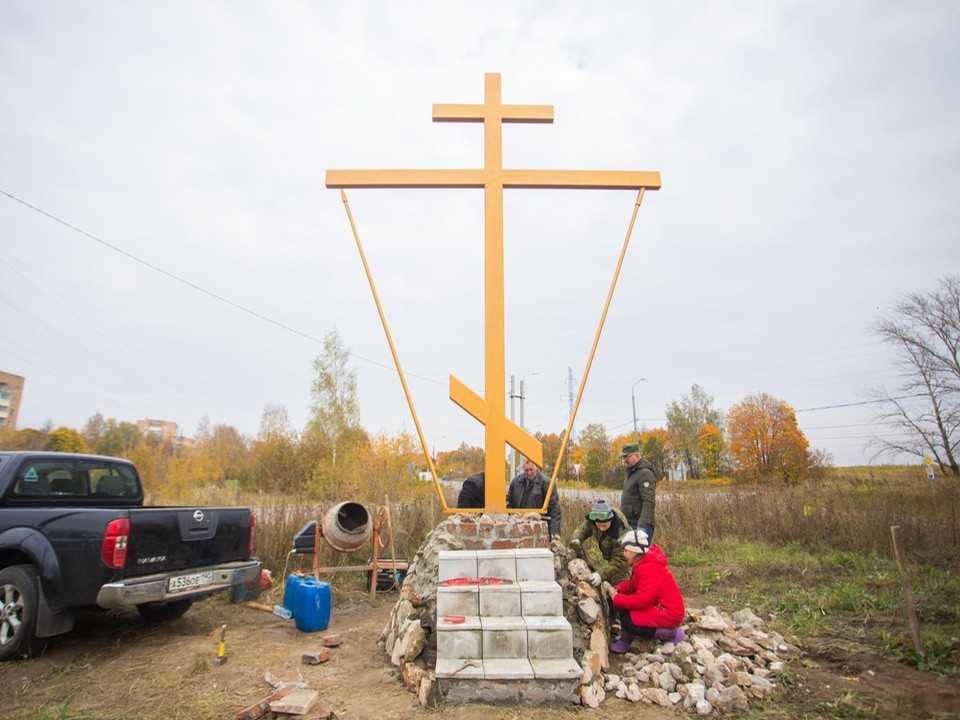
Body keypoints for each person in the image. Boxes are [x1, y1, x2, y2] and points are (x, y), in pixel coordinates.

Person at [608, 528, 686, 653]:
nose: (624, 553)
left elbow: (643, 600)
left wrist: (617, 598)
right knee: (626, 609)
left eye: (626, 550)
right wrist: (619, 589)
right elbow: (632, 584)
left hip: (668, 611)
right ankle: (626, 640)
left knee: (629, 622)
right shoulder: (643, 564)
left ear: (635, 551)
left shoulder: (649, 568)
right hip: (659, 606)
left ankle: (670, 634)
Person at [569, 499, 631, 586]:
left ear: (611, 520)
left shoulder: (621, 532)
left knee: (619, 585)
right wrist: (576, 539)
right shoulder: (594, 518)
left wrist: (600, 575)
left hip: (623, 564)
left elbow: (620, 561)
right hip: (608, 559)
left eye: (604, 525)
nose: (601, 528)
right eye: (598, 525)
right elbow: (583, 529)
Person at [507, 457, 561, 535]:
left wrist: (554, 534)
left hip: (539, 530)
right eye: (526, 470)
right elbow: (510, 507)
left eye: (531, 469)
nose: (529, 473)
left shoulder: (547, 483)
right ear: (522, 468)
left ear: (536, 467)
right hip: (519, 529)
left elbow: (554, 510)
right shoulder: (515, 483)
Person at [619, 441, 657, 539]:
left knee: (639, 554)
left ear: (637, 455)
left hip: (639, 525)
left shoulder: (645, 473)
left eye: (627, 457)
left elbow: (648, 501)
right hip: (629, 524)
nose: (625, 460)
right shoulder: (631, 473)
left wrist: (642, 527)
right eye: (623, 457)